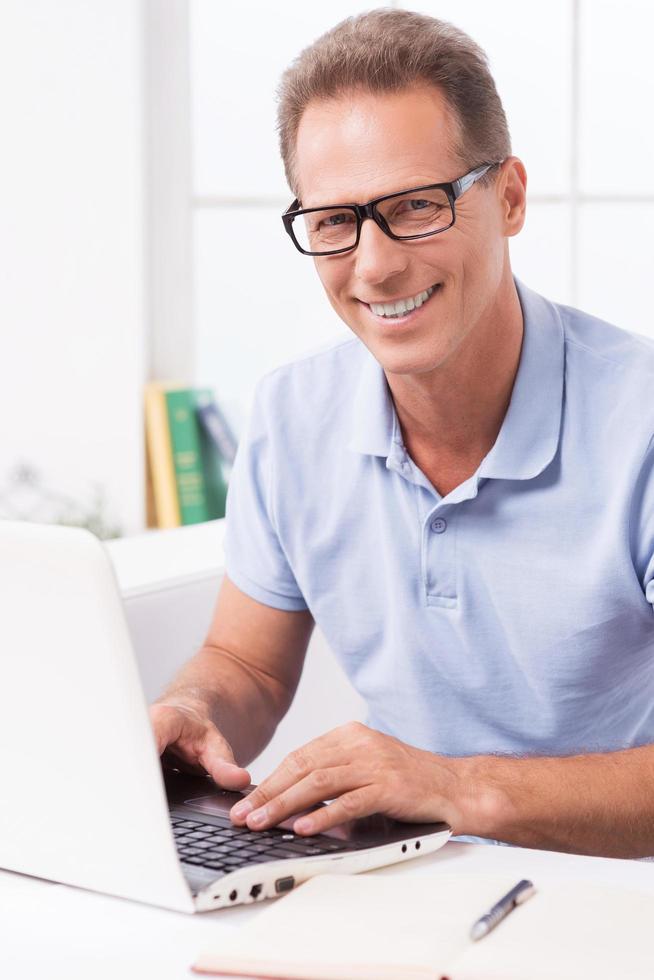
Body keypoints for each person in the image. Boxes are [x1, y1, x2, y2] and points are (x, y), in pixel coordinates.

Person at [151, 9, 654, 858]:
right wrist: (193, 711)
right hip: (395, 880)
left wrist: (454, 785)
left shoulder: (640, 421)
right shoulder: (290, 415)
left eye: (417, 205)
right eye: (334, 223)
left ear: (510, 197)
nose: (375, 265)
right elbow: (249, 666)